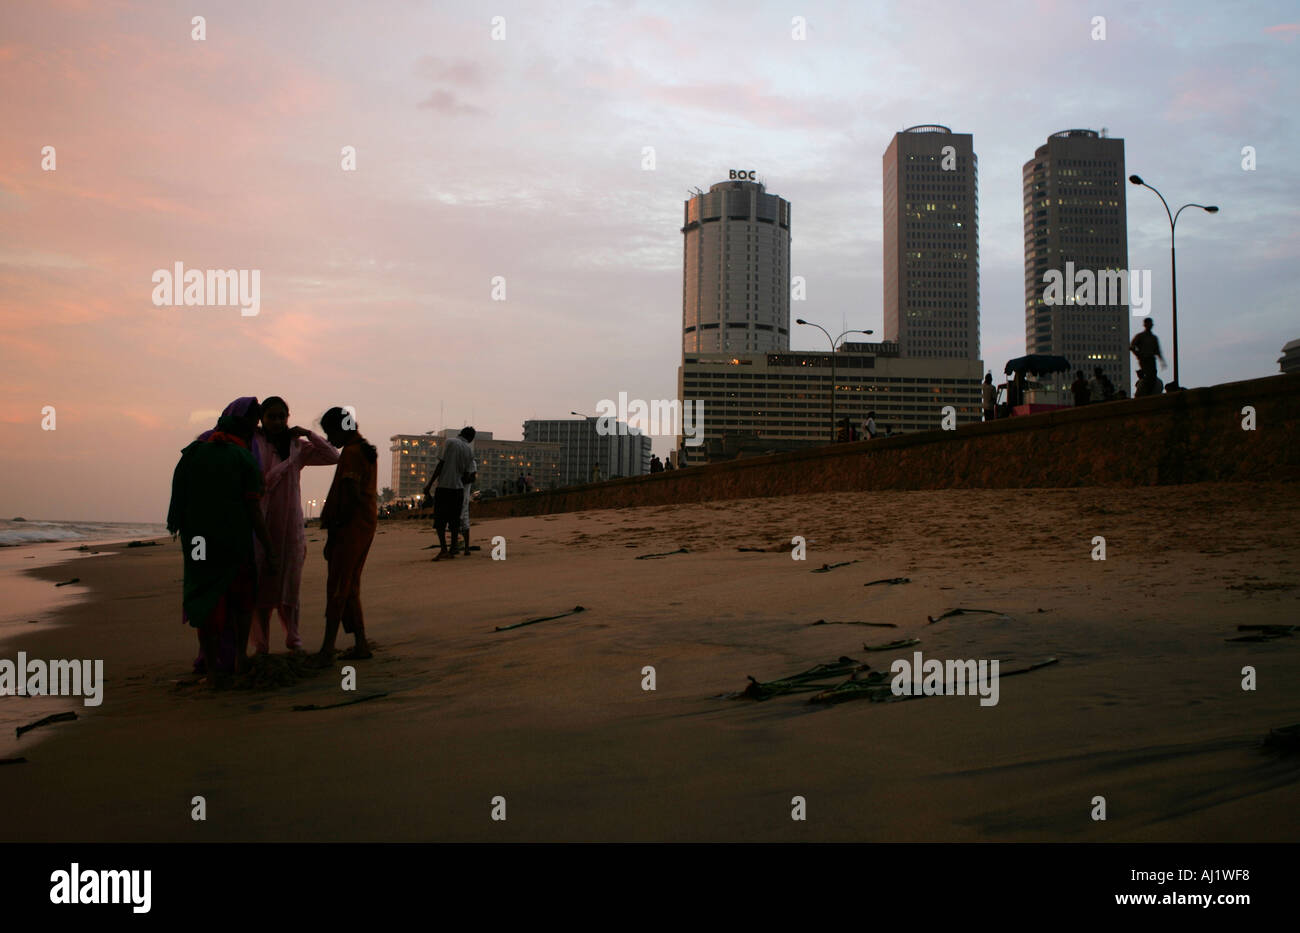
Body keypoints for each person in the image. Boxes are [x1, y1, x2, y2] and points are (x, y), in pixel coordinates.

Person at [167, 398, 277, 678]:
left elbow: (178, 498)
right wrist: (269, 547)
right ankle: (239, 659)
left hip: (198, 546)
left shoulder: (193, 452)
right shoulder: (244, 458)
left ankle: (212, 672)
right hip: (234, 543)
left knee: (207, 605)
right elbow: (253, 509)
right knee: (241, 603)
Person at [250, 396, 339, 654]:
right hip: (263, 523)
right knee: (262, 584)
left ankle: (294, 638)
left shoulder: (297, 447)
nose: (277, 422)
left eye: (282, 417)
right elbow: (261, 481)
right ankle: (262, 643)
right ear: (262, 419)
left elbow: (332, 455)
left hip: (290, 526)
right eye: (272, 417)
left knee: (290, 583)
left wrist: (309, 434)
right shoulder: (255, 444)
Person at [317, 407, 378, 660]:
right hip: (363, 524)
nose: (330, 441)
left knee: (339, 587)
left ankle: (328, 648)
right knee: (350, 584)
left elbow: (351, 494)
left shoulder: (353, 453)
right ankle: (360, 642)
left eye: (330, 434)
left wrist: (337, 526)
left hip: (350, 527)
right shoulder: (363, 449)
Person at [423, 427, 476, 561]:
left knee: (440, 521)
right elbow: (467, 475)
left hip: (444, 487)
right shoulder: (469, 451)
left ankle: (443, 550)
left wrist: (429, 485)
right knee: (454, 521)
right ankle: (453, 548)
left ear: (460, 433)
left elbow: (441, 465)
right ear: (470, 439)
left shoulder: (450, 442)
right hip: (458, 490)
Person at [1130, 318, 1165, 386]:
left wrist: (1162, 361)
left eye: (1150, 324)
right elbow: (1132, 347)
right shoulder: (1140, 336)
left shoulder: (1153, 338)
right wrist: (1138, 355)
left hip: (1151, 359)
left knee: (1152, 376)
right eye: (1148, 324)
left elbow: (1157, 351)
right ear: (1145, 325)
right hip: (1144, 359)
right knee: (1148, 376)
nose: (1150, 325)